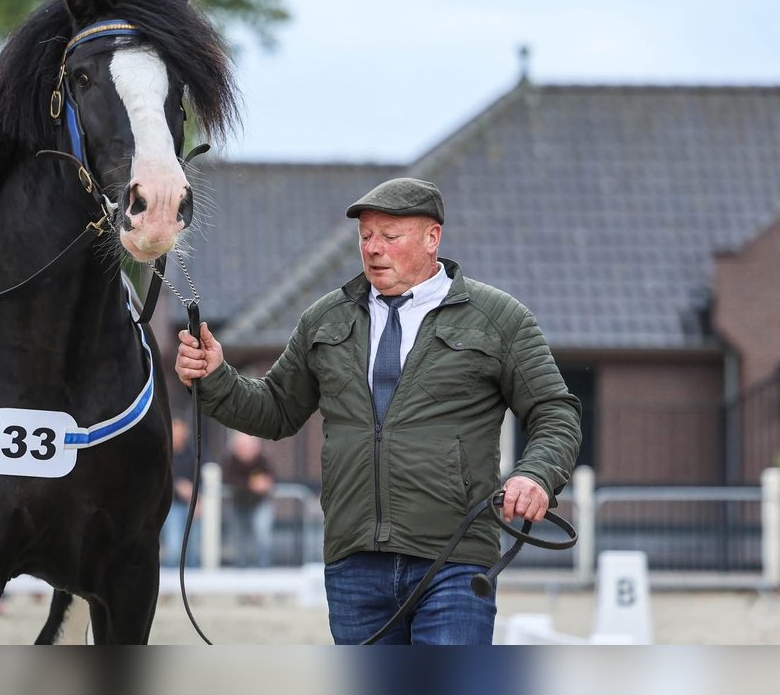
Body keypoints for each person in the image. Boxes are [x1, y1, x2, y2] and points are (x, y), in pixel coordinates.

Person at [175, 177, 581, 645]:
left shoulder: (499, 319)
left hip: (454, 560)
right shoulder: (324, 319)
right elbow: (275, 409)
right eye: (366, 236)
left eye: (390, 236)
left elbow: (556, 413)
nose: (373, 248)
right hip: (354, 565)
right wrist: (215, 376)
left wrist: (535, 474)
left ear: (432, 238)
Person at [220, 432, 275, 568]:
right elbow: (228, 479)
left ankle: (264, 568)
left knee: (263, 536)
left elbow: (272, 477)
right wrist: (250, 484)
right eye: (243, 447)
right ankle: (240, 569)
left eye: (249, 446)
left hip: (260, 503)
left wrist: (265, 483)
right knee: (239, 539)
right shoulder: (231, 461)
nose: (246, 450)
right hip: (238, 504)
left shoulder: (262, 459)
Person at [160, 414, 202, 568]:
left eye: (181, 432)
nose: (178, 436)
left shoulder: (194, 453)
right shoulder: (163, 454)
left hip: (192, 504)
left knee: (193, 549)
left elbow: (201, 478)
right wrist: (178, 485)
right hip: (171, 504)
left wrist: (198, 500)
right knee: (173, 548)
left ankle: (193, 580)